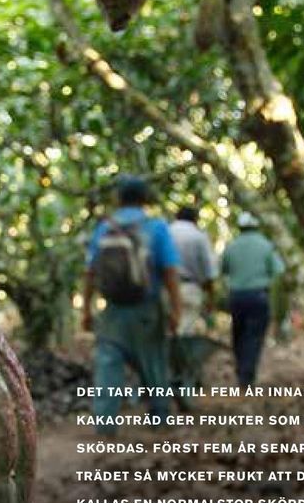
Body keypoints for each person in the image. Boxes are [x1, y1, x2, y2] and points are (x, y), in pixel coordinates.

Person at [82, 175, 182, 424]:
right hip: (146, 310)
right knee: (153, 365)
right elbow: (170, 271)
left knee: (108, 366)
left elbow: (90, 272)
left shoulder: (104, 228)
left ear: (118, 199)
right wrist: (176, 310)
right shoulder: (156, 227)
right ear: (145, 199)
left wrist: (85, 309)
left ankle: (105, 425)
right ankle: (160, 420)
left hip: (112, 311)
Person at [220, 211, 285, 387]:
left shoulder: (231, 246)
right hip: (258, 296)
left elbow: (223, 270)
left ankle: (242, 371)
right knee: (254, 337)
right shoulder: (265, 245)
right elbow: (279, 271)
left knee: (238, 334)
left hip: (237, 297)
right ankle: (246, 376)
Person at [168, 205, 218, 402]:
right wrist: (211, 298)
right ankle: (183, 380)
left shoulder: (165, 232)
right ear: (195, 219)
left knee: (168, 334)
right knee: (184, 334)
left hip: (165, 289)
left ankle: (168, 377)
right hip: (189, 289)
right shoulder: (198, 237)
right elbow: (208, 272)